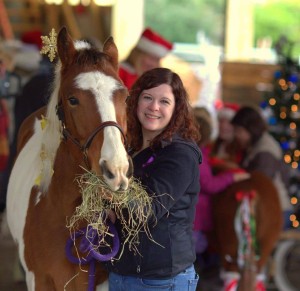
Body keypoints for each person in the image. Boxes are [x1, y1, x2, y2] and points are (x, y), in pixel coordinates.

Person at [103, 67, 201, 291]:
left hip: (161, 280)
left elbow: (148, 209)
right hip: (121, 273)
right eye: (147, 97)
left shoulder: (180, 154)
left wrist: (108, 193)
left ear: (176, 109)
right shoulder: (129, 148)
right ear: (136, 102)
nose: (154, 107)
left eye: (164, 101)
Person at [192, 107, 250, 268]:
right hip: (199, 215)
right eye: (221, 122)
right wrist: (231, 175)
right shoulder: (204, 151)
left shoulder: (238, 149)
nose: (224, 126)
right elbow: (209, 184)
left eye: (228, 122)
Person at [231, 105, 293, 230]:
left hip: (275, 210)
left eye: (239, 131)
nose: (236, 135)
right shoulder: (254, 145)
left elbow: (261, 182)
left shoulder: (265, 151)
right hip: (270, 208)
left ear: (250, 129)